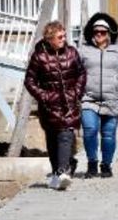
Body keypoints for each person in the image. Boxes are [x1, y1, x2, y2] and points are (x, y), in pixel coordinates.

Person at [24, 21, 86, 190]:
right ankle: (58, 173)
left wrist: (76, 93)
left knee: (65, 135)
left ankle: (63, 171)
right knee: (52, 141)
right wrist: (44, 96)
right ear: (49, 38)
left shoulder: (72, 53)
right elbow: (29, 81)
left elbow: (81, 74)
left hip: (69, 105)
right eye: (60, 37)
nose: (63, 39)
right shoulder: (39, 57)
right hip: (49, 107)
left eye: (64, 36)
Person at [78, 12, 118, 178]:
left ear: (109, 33)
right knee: (89, 129)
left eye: (103, 32)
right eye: (96, 31)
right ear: (91, 32)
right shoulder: (83, 51)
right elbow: (74, 71)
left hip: (113, 99)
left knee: (109, 134)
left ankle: (106, 165)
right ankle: (91, 162)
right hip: (88, 98)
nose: (99, 34)